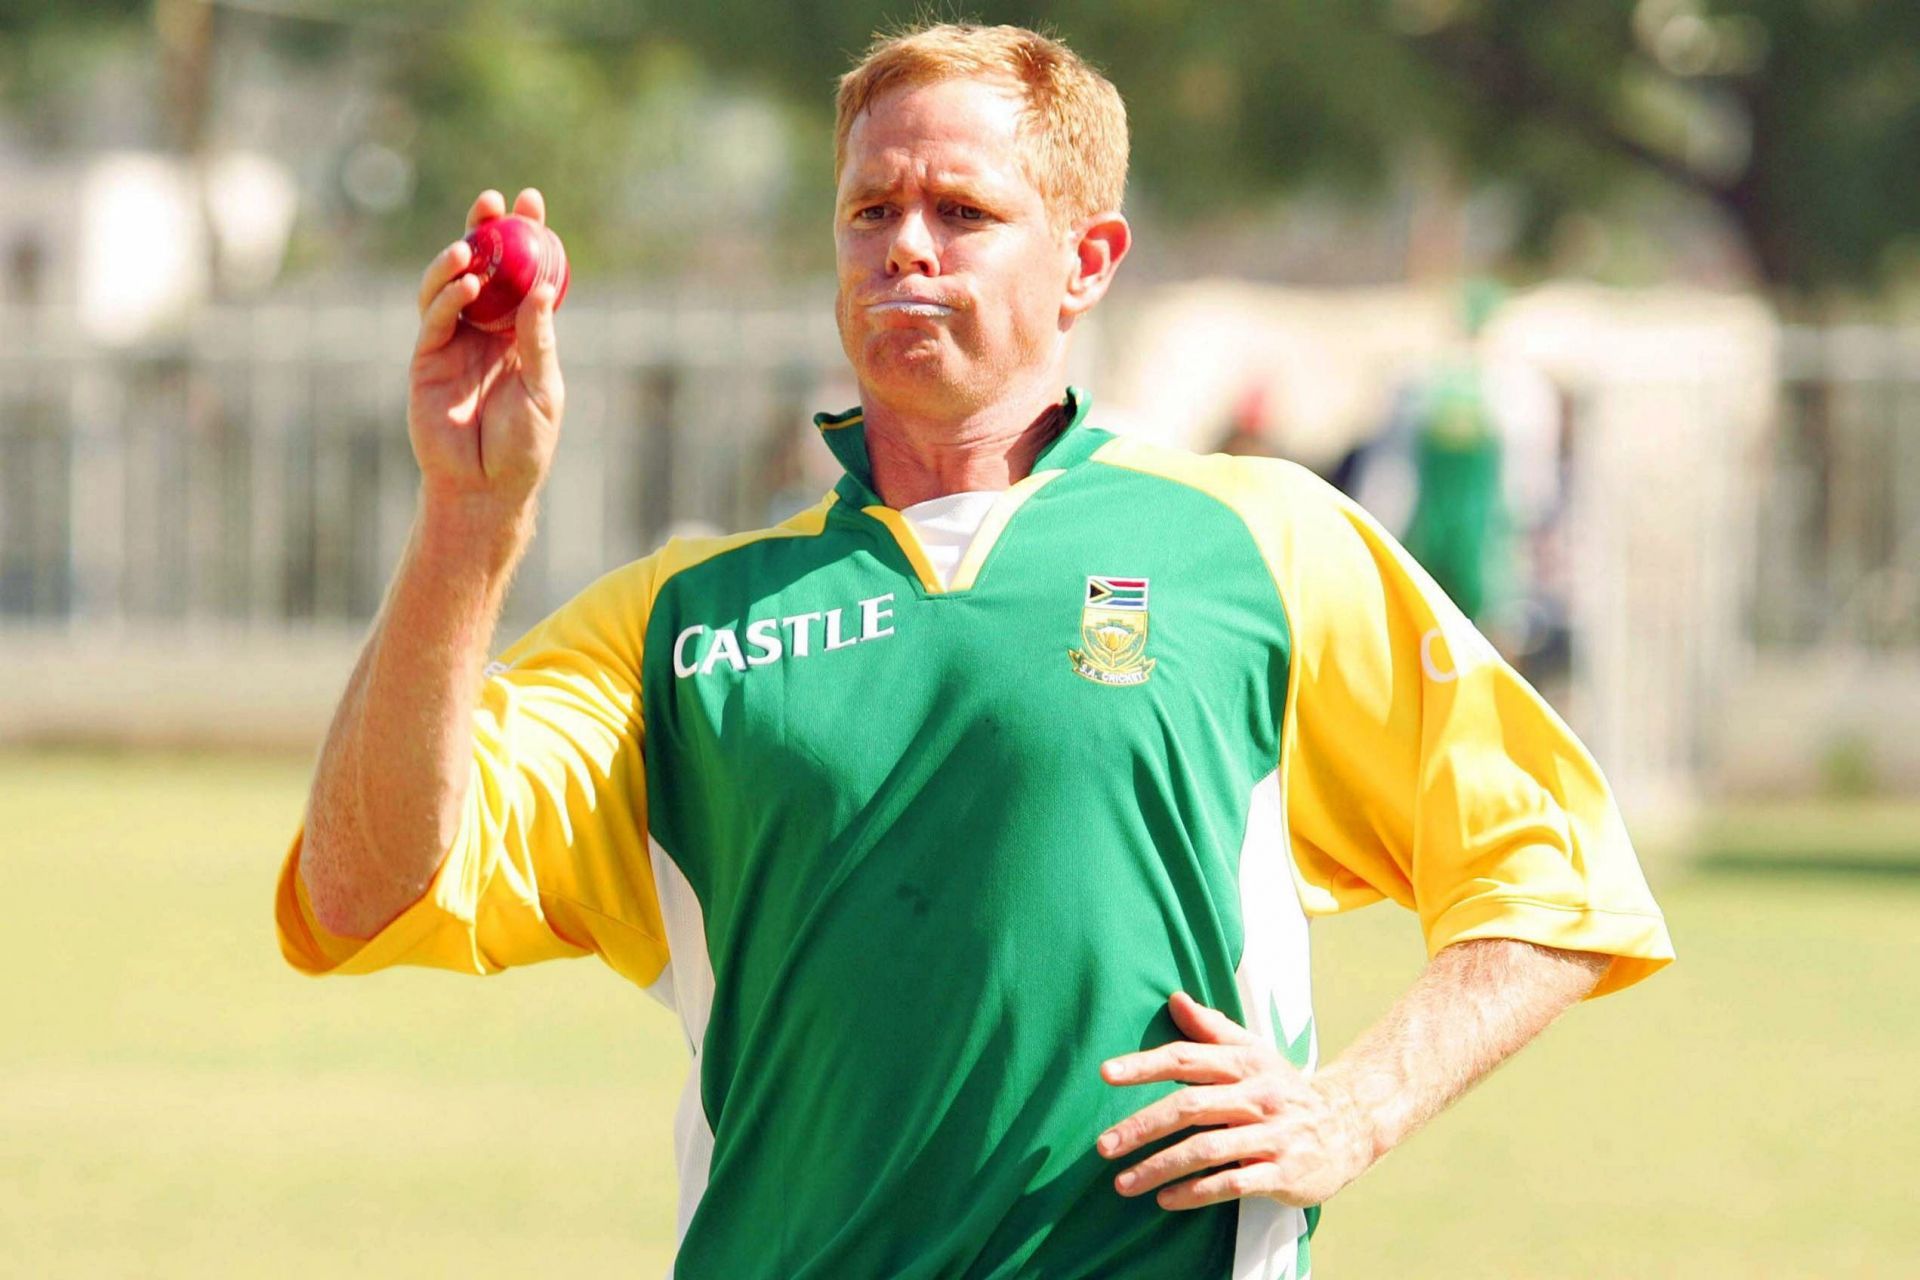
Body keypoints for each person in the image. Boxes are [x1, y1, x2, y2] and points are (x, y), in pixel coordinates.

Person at [276, 23, 1673, 1279]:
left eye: (962, 210)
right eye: (871, 209)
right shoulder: (681, 623)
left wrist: (1355, 1108)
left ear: (1088, 259)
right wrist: (469, 517)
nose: (907, 245)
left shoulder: (1260, 545)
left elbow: (1556, 868)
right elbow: (357, 887)